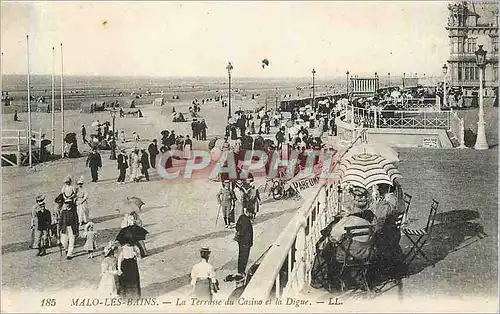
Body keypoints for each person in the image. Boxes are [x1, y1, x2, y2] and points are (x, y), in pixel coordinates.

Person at [60, 175, 79, 260]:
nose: (67, 205)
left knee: (72, 240)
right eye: (66, 204)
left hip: (72, 227)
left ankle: (69, 254)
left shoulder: (74, 212)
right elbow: (60, 221)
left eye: (68, 204)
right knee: (63, 241)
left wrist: (77, 229)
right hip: (65, 228)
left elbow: (76, 221)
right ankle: (66, 248)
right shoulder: (63, 212)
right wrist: (59, 228)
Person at [235, 208, 253, 275]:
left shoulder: (241, 217)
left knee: (241, 256)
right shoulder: (247, 220)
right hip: (246, 242)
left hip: (241, 242)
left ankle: (240, 271)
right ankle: (242, 271)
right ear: (248, 212)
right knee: (244, 258)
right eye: (251, 213)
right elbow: (243, 231)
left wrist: (239, 232)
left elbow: (237, 226)